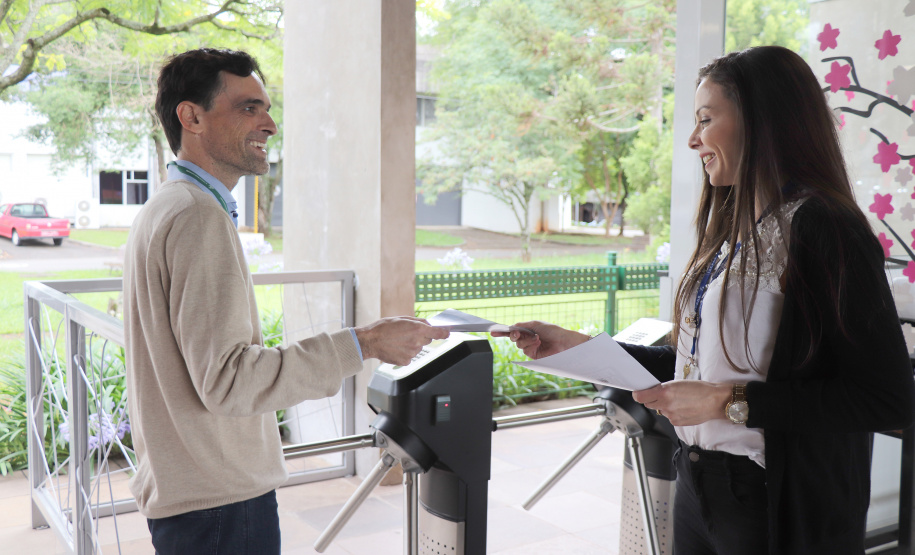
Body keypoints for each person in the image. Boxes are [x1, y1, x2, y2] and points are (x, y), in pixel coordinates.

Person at [501, 46, 915, 555]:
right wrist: (580, 347)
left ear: (761, 120)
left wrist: (728, 401)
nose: (694, 139)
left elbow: (887, 396)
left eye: (705, 118)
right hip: (699, 487)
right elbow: (695, 368)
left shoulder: (825, 228)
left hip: (772, 502)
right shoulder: (734, 229)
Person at [123, 48, 448, 555]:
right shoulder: (197, 217)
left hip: (192, 492)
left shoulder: (167, 206)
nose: (270, 123)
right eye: (249, 108)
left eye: (268, 108)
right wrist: (364, 343)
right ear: (192, 117)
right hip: (219, 504)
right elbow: (230, 382)